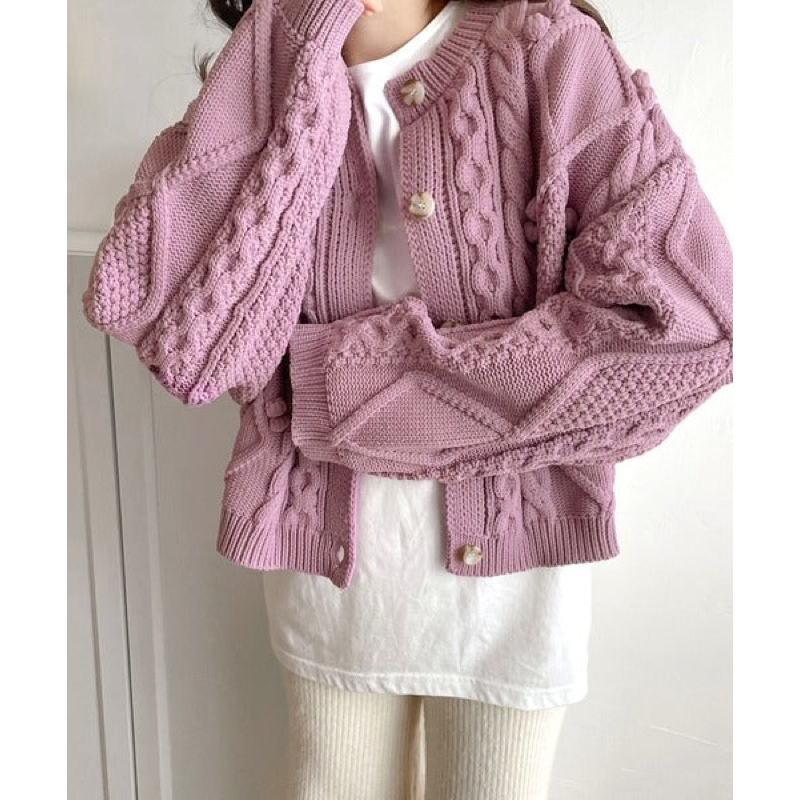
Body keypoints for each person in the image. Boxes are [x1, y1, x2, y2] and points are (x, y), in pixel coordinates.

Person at [80, 1, 733, 798]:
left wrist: (355, 391)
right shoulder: (274, 65)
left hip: (510, 591)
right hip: (330, 579)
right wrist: (293, 50)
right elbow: (178, 333)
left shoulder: (550, 50)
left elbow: (684, 329)